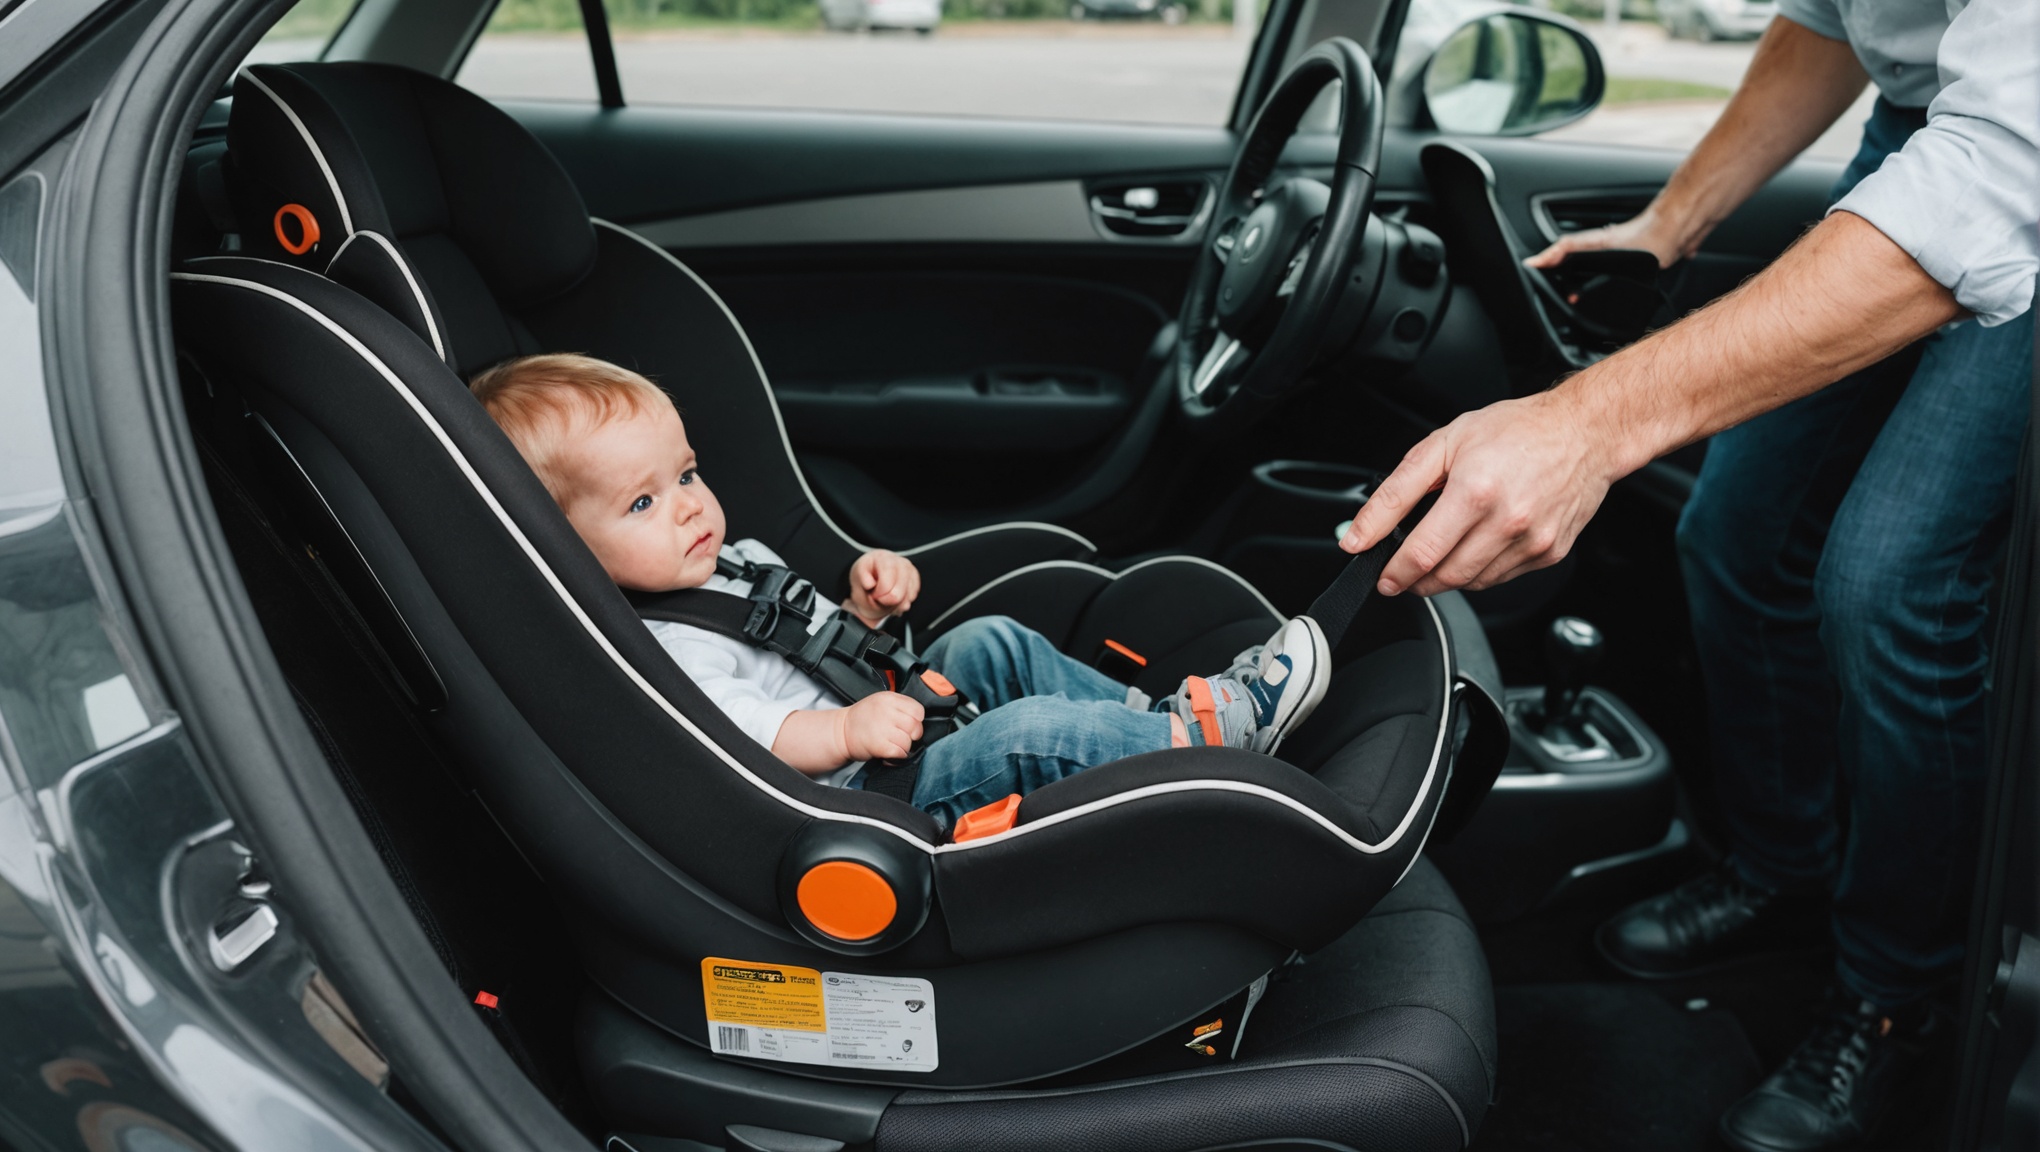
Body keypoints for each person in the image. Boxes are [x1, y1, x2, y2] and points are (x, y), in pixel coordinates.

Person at [1342, 0, 2036, 1146]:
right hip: (1925, 131)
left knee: (1887, 586)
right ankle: (1784, 867)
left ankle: (1897, 995)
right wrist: (1671, 222)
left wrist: (1587, 426)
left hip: (2017, 161)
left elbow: (1999, 176)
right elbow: (1826, 26)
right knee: (1735, 533)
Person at [470, 354, 1332, 830]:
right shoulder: (664, 647)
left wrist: (866, 612)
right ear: (569, 549)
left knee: (990, 639)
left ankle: (1157, 722)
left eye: (687, 472)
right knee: (1021, 736)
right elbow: (755, 730)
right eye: (644, 502)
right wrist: (846, 730)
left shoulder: (726, 559)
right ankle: (1207, 747)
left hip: (881, 720)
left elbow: (798, 651)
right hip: (854, 797)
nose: (691, 504)